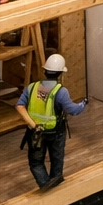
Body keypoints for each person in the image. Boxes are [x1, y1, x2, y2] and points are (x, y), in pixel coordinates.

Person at [16, 54, 86, 191]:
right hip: (56, 133)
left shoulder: (32, 88)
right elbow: (73, 110)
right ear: (60, 73)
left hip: (35, 133)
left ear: (45, 71)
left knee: (36, 163)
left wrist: (33, 125)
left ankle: (45, 184)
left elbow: (19, 106)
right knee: (57, 159)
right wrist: (83, 104)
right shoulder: (61, 91)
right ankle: (54, 185)